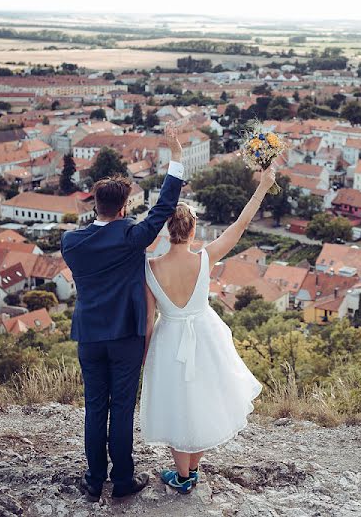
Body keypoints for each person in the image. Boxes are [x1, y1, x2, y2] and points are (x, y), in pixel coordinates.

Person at [61, 125, 184, 502]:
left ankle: (95, 479)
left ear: (95, 204)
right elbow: (163, 209)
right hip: (127, 336)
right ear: (125, 206)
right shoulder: (131, 236)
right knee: (122, 407)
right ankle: (124, 479)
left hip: (89, 337)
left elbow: (93, 234)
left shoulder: (71, 243)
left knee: (95, 407)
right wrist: (175, 160)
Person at [139, 164, 277, 494]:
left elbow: (147, 321)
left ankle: (183, 475)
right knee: (204, 400)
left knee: (176, 404)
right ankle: (192, 470)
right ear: (192, 230)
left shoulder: (150, 267)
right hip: (205, 336)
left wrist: (145, 358)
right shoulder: (205, 257)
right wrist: (262, 187)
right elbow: (240, 226)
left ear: (165, 229)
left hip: (168, 339)